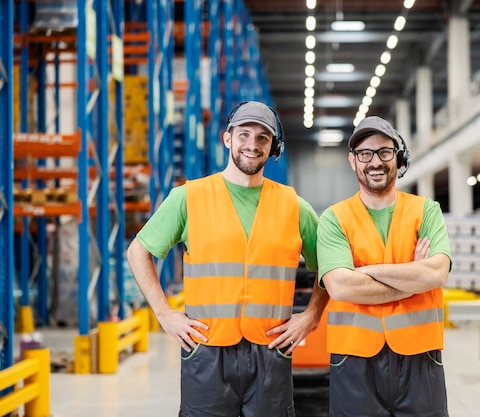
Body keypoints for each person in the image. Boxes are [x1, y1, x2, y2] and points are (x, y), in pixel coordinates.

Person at [127, 101, 329, 417]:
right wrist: (164, 313)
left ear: (273, 146)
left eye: (263, 138)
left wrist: (312, 315)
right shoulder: (188, 198)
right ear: (227, 138)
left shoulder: (294, 206)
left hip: (270, 351)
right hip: (206, 350)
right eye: (244, 134)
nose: (252, 144)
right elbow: (138, 251)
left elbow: (329, 268)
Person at [316, 115, 452, 417]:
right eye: (365, 153)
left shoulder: (425, 210)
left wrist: (366, 271)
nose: (375, 162)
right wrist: (411, 275)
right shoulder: (334, 218)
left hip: (420, 357)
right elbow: (340, 286)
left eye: (384, 152)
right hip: (354, 359)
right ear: (353, 161)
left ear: (398, 158)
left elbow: (436, 273)